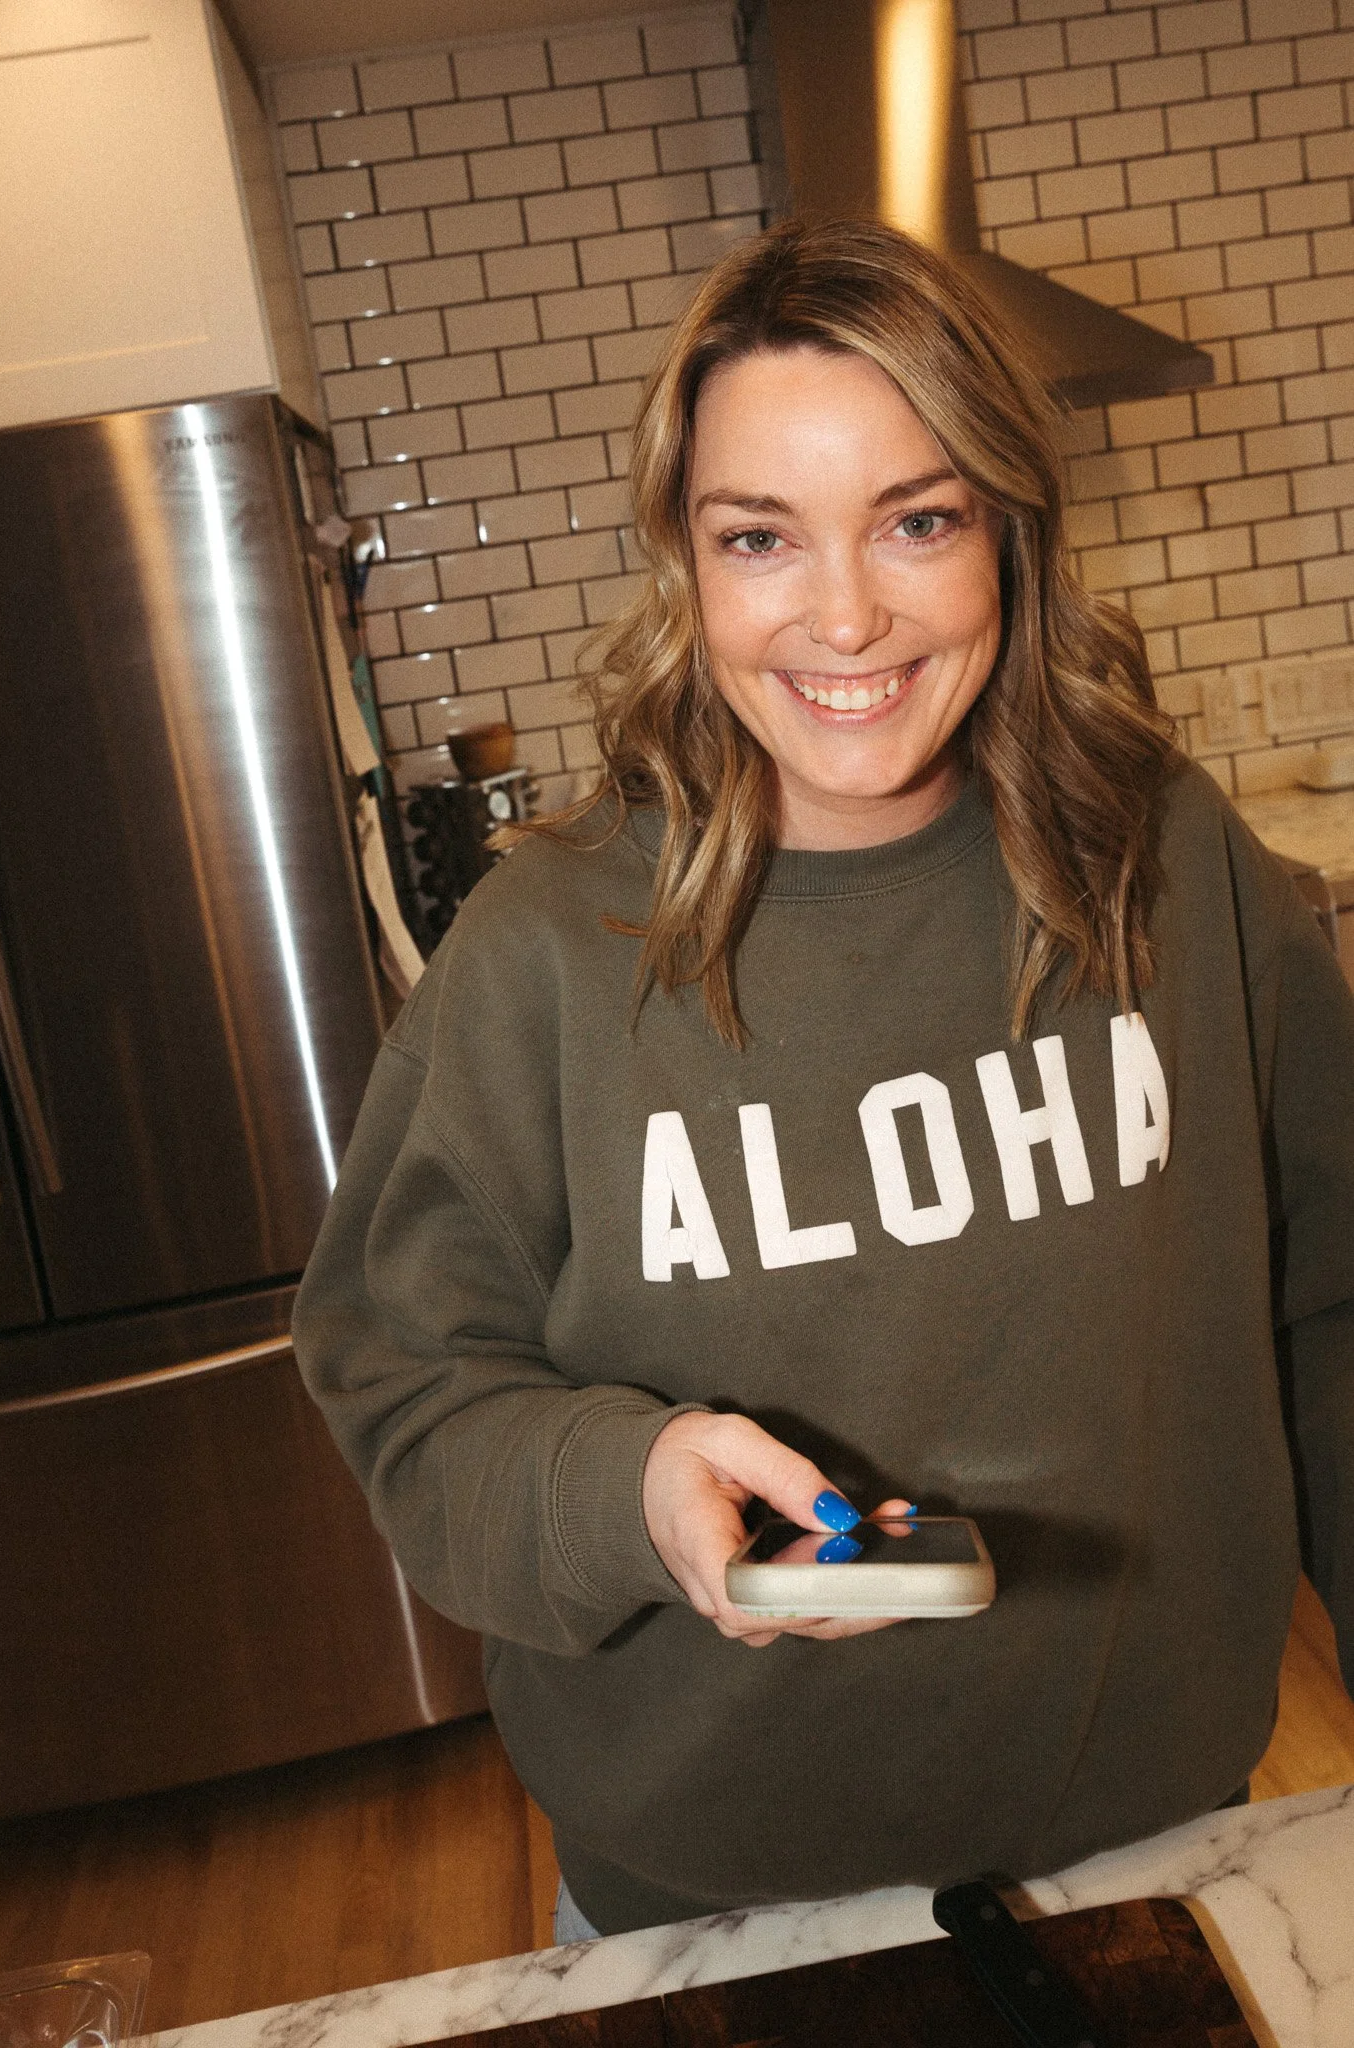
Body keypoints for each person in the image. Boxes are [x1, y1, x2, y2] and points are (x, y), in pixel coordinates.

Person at [294, 219, 1354, 1943]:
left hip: (1160, 1845)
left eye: (916, 520)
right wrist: (628, 1491)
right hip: (703, 1905)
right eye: (761, 537)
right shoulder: (555, 948)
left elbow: (1338, 1297)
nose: (844, 613)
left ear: (1006, 529)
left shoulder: (1170, 863)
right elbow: (405, 1389)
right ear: (688, 565)